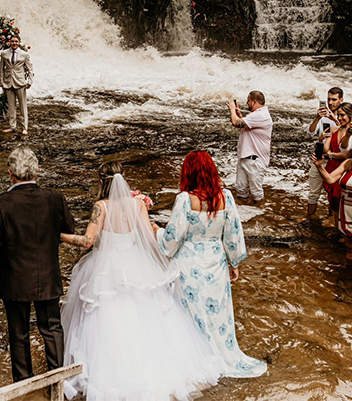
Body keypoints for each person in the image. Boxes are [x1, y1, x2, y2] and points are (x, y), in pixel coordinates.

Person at [60, 161, 227, 400]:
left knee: (107, 318)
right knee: (151, 316)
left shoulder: (101, 207)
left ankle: (113, 372)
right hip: (136, 262)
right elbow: (149, 239)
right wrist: (164, 261)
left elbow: (87, 241)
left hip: (107, 266)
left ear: (100, 181)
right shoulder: (138, 203)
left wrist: (60, 236)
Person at [155, 151, 267, 376]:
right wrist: (234, 263)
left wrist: (157, 231)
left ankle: (194, 358)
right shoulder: (226, 197)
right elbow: (233, 234)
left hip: (189, 263)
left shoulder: (185, 199)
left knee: (189, 312)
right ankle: (219, 354)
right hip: (216, 263)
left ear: (188, 172)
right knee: (217, 313)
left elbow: (173, 238)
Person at [0, 147, 76, 382]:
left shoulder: (0, 203)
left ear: (10, 173)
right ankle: (57, 380)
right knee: (52, 328)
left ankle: (23, 382)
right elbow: (69, 229)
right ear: (37, 171)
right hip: (47, 274)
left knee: (19, 333)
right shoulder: (54, 199)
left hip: (13, 278)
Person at [227, 90, 273, 204]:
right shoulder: (257, 115)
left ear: (254, 102)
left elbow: (236, 123)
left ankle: (260, 213)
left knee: (256, 194)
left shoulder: (260, 115)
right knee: (241, 191)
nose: (247, 103)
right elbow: (247, 126)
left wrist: (232, 110)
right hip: (246, 157)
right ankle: (246, 213)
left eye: (248, 101)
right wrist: (239, 115)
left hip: (255, 160)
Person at [306, 87, 344, 217]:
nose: (330, 103)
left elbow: (347, 131)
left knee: (333, 194)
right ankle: (309, 219)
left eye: (334, 99)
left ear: (341, 100)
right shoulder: (322, 118)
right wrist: (317, 118)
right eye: (329, 99)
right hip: (320, 157)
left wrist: (335, 120)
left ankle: (331, 220)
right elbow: (309, 133)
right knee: (313, 193)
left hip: (335, 160)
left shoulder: (345, 117)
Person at [322, 102, 352, 231]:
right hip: (332, 166)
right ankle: (336, 228)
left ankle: (343, 230)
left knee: (341, 199)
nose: (339, 118)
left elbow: (347, 155)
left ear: (350, 115)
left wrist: (331, 154)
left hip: (344, 167)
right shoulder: (334, 129)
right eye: (338, 115)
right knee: (332, 198)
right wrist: (329, 152)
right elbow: (325, 149)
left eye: (342, 115)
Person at [0, 35, 34, 135]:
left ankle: (25, 127)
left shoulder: (24, 54)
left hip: (20, 82)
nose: (14, 43)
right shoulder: (4, 53)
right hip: (8, 82)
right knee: (11, 106)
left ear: (19, 42)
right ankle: (12, 126)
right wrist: (2, 82)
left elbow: (30, 69)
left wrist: (30, 82)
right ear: (9, 42)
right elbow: (1, 69)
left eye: (16, 41)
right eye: (12, 41)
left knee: (23, 106)